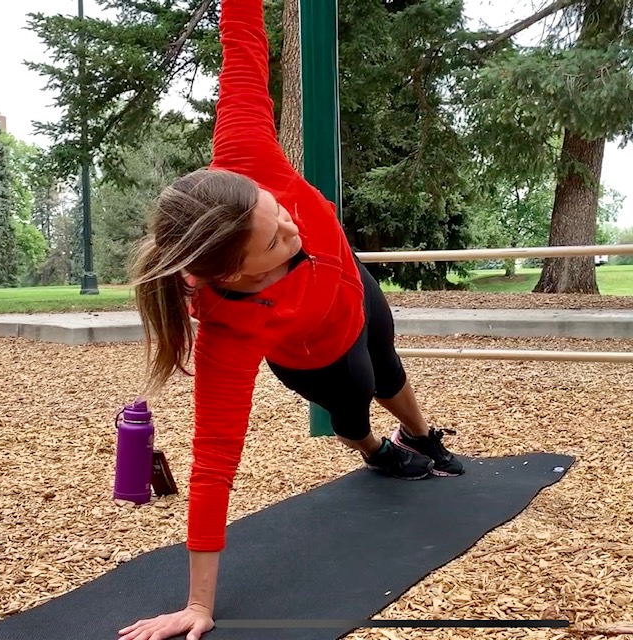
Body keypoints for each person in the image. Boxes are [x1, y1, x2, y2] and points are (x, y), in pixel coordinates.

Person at [119, 0, 464, 638]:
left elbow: (244, 51)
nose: (291, 224)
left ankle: (419, 435)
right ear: (234, 276)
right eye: (274, 241)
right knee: (356, 402)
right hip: (314, 349)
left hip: (349, 282)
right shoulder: (229, 325)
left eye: (276, 209)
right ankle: (376, 452)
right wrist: (198, 606)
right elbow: (215, 458)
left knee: (389, 365)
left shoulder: (244, 154)